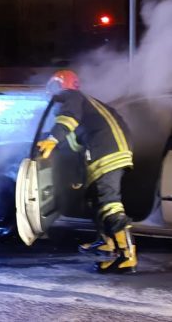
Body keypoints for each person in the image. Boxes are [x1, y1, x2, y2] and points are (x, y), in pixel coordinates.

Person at [37, 70, 137, 273]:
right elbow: (75, 145)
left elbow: (68, 119)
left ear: (59, 86)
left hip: (106, 153)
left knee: (109, 204)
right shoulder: (89, 104)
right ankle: (110, 248)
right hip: (108, 151)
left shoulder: (72, 97)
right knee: (97, 201)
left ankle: (128, 255)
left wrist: (52, 139)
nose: (54, 99)